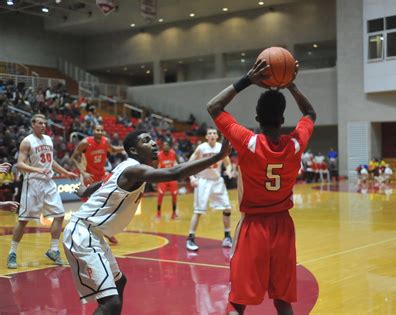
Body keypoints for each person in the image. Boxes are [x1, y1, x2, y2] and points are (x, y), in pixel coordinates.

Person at [62, 130, 231, 314]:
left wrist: (84, 191)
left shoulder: (125, 167)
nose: (153, 143)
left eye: (152, 139)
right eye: (146, 140)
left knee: (120, 282)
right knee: (111, 304)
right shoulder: (134, 168)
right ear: (134, 150)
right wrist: (219, 156)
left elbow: (102, 183)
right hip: (83, 233)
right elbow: (174, 172)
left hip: (92, 233)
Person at [207, 59, 315, 315]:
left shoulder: (248, 141)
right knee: (282, 299)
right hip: (283, 227)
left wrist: (247, 80)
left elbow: (214, 106)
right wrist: (291, 85)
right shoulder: (296, 144)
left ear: (257, 118)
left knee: (238, 300)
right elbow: (310, 114)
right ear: (283, 118)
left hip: (254, 227)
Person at [7, 114, 78, 269]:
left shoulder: (48, 139)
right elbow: (19, 164)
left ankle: (53, 250)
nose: (43, 126)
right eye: (40, 123)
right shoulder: (27, 141)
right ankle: (12, 253)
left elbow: (50, 161)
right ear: (33, 124)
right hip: (32, 183)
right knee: (24, 220)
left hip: (48, 183)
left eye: (45, 123)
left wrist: (65, 172)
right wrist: (37, 169)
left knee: (59, 215)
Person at [71, 123, 124, 244]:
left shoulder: (106, 142)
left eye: (101, 130)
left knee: (107, 205)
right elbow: (73, 158)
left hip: (101, 177)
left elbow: (114, 150)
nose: (99, 132)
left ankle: (107, 232)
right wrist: (83, 172)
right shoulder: (85, 142)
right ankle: (79, 229)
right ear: (93, 131)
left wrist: (124, 148)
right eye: (97, 130)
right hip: (89, 177)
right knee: (89, 206)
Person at [186, 128, 234, 251]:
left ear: (217, 136)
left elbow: (228, 163)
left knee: (227, 208)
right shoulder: (201, 148)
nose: (212, 135)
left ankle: (227, 237)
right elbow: (189, 164)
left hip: (217, 181)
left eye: (214, 133)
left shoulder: (220, 147)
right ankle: (190, 239)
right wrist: (192, 177)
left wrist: (228, 171)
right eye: (209, 133)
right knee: (198, 210)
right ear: (206, 137)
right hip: (203, 182)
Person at [155, 141, 179, 219]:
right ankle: (158, 213)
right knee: (160, 195)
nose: (166, 146)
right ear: (162, 147)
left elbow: (179, 164)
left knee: (174, 195)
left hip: (172, 177)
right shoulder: (158, 155)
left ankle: (174, 213)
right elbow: (155, 166)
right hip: (163, 178)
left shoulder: (173, 153)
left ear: (169, 146)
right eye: (164, 145)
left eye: (167, 145)